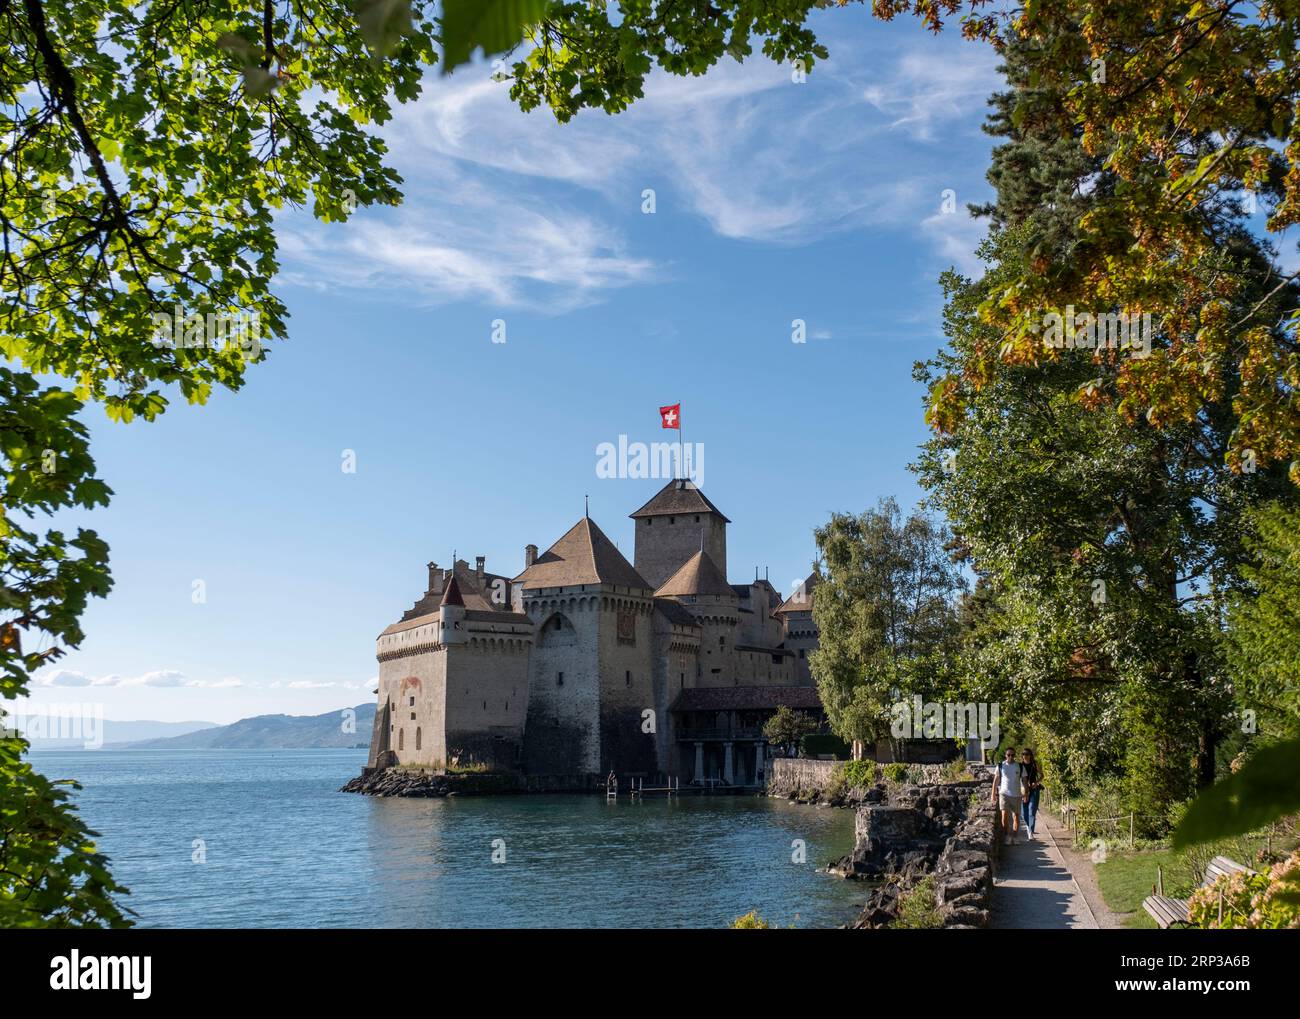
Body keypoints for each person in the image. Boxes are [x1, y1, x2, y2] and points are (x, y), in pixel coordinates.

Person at [991, 747, 1024, 845]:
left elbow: (1024, 780)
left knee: (1016, 817)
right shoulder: (1001, 766)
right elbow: (996, 780)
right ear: (1005, 755)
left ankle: (1015, 836)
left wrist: (1026, 792)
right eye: (1009, 755)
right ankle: (1008, 836)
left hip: (1017, 794)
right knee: (1004, 815)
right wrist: (993, 794)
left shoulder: (1019, 766)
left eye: (1013, 755)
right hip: (1004, 794)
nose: (1011, 757)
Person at [1020, 749, 1042, 840]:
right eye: (1024, 754)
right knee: (1024, 812)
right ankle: (1029, 828)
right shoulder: (1020, 765)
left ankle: (1030, 832)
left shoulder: (1034, 764)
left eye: (1027, 754)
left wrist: (1036, 782)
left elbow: (1042, 775)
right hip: (1023, 790)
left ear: (1030, 755)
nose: (1025, 756)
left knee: (1032, 810)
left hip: (1034, 789)